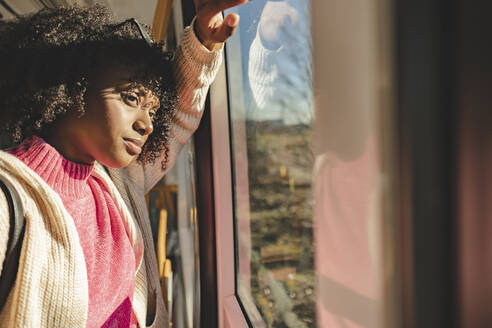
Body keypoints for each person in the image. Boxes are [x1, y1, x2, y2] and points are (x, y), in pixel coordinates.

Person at [0, 1, 245, 327]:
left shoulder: (116, 182)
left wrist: (202, 41)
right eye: (131, 98)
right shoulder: (9, 198)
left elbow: (180, 116)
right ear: (73, 86)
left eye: (153, 110)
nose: (148, 124)